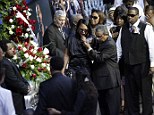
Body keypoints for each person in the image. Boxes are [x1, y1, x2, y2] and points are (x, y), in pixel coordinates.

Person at [116, 7, 154, 115]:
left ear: (138, 16)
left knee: (145, 92)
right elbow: (119, 47)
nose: (129, 17)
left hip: (143, 65)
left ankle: (147, 113)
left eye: (132, 15)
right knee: (131, 93)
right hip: (128, 66)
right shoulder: (123, 28)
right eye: (128, 15)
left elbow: (151, 47)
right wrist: (117, 61)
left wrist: (152, 64)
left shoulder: (146, 27)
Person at [82, 25, 121, 115]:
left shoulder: (110, 44)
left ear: (106, 34)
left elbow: (100, 58)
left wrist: (89, 48)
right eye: (96, 36)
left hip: (110, 81)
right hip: (101, 81)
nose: (97, 38)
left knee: (112, 109)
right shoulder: (101, 40)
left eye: (99, 36)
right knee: (104, 108)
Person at [0, 39, 31, 115]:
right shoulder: (5, 63)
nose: (13, 50)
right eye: (10, 49)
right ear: (4, 52)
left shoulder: (9, 61)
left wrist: (27, 84)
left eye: (13, 48)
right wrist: (25, 88)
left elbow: (20, 77)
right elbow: (13, 81)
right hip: (14, 98)